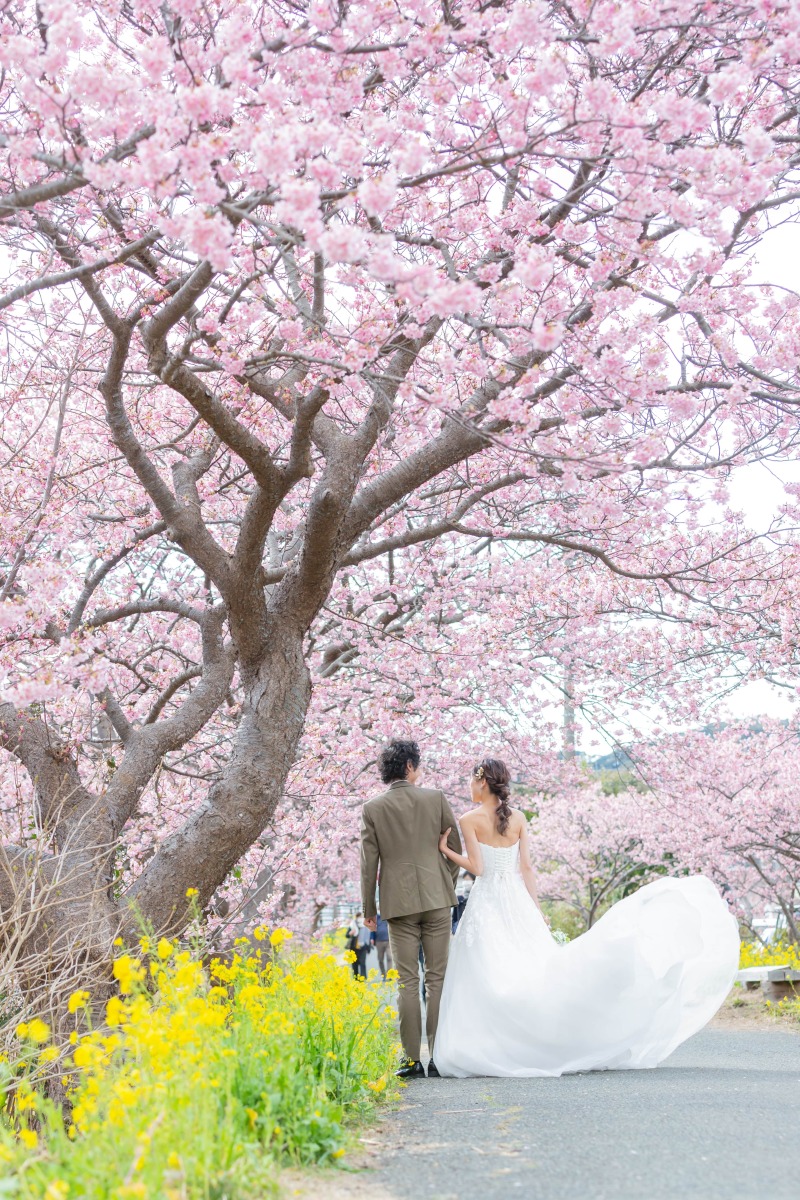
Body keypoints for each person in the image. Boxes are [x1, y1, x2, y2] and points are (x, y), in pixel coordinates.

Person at [434, 756, 740, 1078]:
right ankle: (539, 1037)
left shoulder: (469, 819)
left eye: (471, 780)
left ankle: (491, 1043)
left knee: (489, 969)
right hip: (517, 900)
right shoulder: (520, 818)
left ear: (482, 781)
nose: (469, 786)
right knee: (530, 965)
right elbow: (526, 868)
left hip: (489, 902)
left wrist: (446, 850)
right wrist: (536, 909)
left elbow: (479, 869)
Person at [360, 738, 462, 1079]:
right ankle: (438, 1057)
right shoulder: (435, 799)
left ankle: (410, 1060)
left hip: (397, 903)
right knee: (437, 979)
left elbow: (368, 864)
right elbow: (454, 848)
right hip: (436, 900)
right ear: (408, 766)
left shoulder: (373, 808)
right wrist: (443, 881)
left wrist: (369, 908)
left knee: (407, 981)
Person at [452, 869, 474, 933]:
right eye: (465, 880)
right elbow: (455, 918)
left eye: (468, 880)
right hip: (461, 930)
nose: (466, 883)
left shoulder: (475, 900)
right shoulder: (459, 899)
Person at [373, 913, 392, 979]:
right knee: (380, 959)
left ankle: (389, 974)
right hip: (379, 941)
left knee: (390, 957)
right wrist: (372, 938)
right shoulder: (376, 918)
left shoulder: (389, 917)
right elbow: (372, 929)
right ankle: (383, 974)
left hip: (388, 941)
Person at [354, 913, 372, 980]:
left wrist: (368, 947)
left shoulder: (365, 926)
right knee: (355, 963)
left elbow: (368, 937)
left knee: (362, 962)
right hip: (354, 947)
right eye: (359, 917)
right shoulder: (353, 925)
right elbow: (347, 935)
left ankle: (363, 976)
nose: (360, 919)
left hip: (363, 946)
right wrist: (351, 933)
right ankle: (356, 977)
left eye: (361, 917)